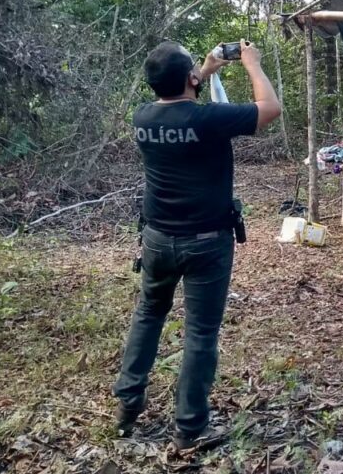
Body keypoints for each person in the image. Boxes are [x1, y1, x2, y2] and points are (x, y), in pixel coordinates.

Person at [114, 40, 281, 449]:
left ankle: (128, 403)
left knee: (148, 314)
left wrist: (203, 70)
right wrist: (252, 63)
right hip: (206, 243)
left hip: (156, 239)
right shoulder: (209, 119)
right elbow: (270, 108)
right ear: (189, 78)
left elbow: (179, 107)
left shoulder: (143, 116)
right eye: (193, 69)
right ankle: (189, 428)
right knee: (201, 332)